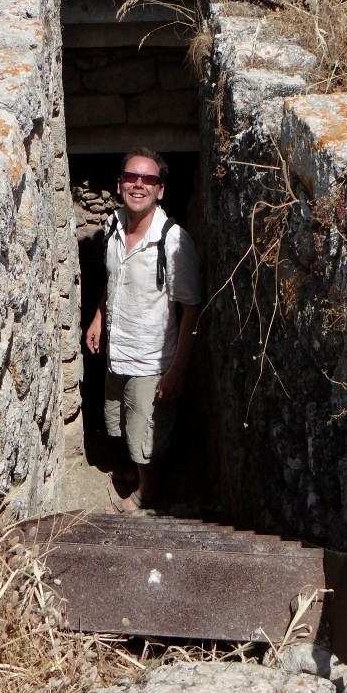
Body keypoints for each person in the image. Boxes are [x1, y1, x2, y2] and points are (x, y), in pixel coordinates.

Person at [84, 148, 202, 513]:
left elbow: (192, 309)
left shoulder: (173, 242)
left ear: (160, 190)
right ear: (120, 185)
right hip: (118, 351)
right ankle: (134, 473)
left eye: (148, 179)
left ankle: (146, 496)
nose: (139, 184)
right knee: (119, 422)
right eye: (132, 178)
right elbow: (115, 281)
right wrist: (99, 317)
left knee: (145, 433)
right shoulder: (112, 227)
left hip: (151, 360)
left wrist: (178, 369)